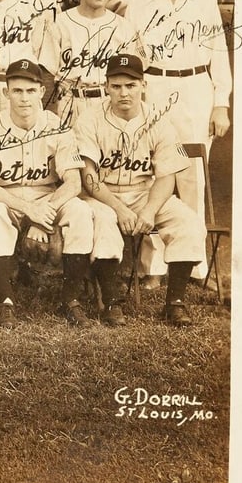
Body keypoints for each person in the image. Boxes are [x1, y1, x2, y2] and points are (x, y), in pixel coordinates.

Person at [74, 54, 207, 326]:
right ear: (107, 86)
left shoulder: (158, 118)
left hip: (146, 193)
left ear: (143, 85)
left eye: (131, 85)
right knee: (105, 223)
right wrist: (119, 208)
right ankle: (112, 302)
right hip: (104, 195)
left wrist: (149, 210)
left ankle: (175, 303)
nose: (124, 93)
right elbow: (89, 177)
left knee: (189, 224)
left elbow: (166, 175)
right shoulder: (89, 119)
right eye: (117, 86)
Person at [124, 0, 231, 264]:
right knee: (154, 172)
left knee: (192, 175)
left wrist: (221, 104)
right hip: (155, 86)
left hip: (197, 87)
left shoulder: (205, 0)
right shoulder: (138, 4)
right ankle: (153, 262)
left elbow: (219, 54)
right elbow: (130, 55)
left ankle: (192, 262)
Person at [0, 59, 94, 328]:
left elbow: (74, 183)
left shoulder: (57, 125)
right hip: (5, 197)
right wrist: (29, 212)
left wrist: (42, 214)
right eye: (17, 91)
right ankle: (5, 300)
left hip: (47, 198)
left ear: (42, 91)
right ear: (6, 93)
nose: (24, 98)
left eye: (31, 91)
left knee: (80, 211)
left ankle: (70, 299)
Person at [51, 0, 145, 127]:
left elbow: (137, 74)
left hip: (109, 102)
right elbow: (47, 73)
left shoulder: (123, 26)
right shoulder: (59, 23)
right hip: (70, 101)